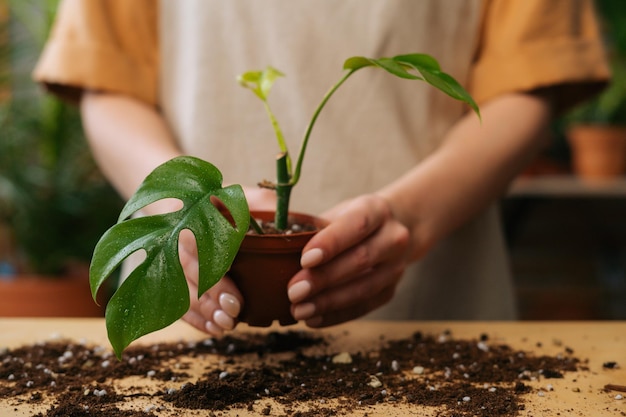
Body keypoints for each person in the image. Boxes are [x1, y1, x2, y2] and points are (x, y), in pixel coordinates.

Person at [34, 0, 609, 336]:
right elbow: (108, 81)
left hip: (429, 321)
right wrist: (171, 201)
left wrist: (408, 218)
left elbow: (529, 83)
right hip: (197, 316)